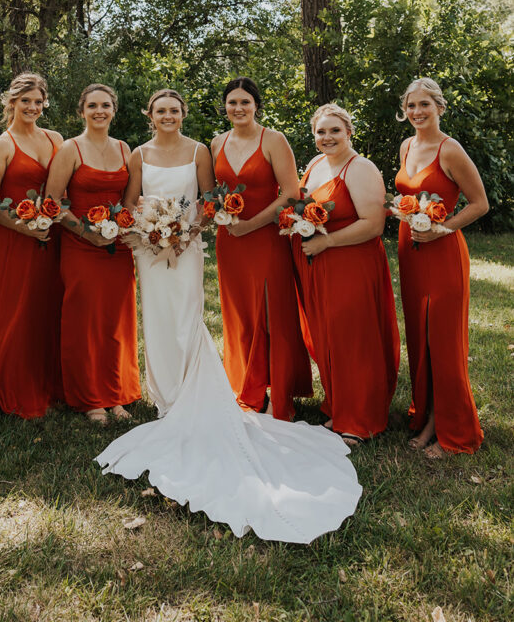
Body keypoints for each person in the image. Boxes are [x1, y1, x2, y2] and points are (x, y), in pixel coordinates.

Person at [96, 89, 361, 543]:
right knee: (156, 319)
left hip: (188, 246)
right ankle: (166, 397)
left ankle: (199, 389)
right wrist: (151, 231)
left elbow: (207, 200)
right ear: (150, 115)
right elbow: (132, 201)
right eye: (160, 110)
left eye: (175, 110)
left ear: (183, 114)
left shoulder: (203, 150)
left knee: (187, 316)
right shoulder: (139, 154)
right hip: (149, 247)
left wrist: (183, 233)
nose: (168, 116)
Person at [292, 103, 400, 446]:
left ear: (349, 132)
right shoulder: (315, 165)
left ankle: (360, 419)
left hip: (351, 263)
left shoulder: (361, 167)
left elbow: (373, 224)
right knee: (329, 337)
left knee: (355, 339)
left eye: (335, 130)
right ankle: (339, 406)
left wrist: (328, 243)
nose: (328, 137)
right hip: (318, 265)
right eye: (321, 132)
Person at [395, 78, 488, 458]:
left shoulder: (450, 151)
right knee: (420, 337)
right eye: (412, 106)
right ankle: (428, 415)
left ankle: (453, 429)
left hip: (443, 251)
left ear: (439, 107)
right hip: (410, 250)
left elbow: (479, 203)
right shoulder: (406, 145)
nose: (417, 112)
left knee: (444, 341)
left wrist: (442, 229)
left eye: (424, 105)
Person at [212, 78, 312, 419]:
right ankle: (246, 387)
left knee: (272, 314)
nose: (238, 108)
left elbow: (290, 193)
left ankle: (279, 393)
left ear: (256, 105)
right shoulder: (216, 144)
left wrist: (251, 225)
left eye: (245, 102)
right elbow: (214, 193)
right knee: (240, 315)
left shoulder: (273, 140)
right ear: (224, 106)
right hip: (230, 242)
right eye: (232, 102)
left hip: (267, 238)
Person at [47, 83, 140, 425]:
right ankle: (90, 399)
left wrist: (126, 228)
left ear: (114, 110)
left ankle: (115, 395)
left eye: (105, 105)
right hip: (79, 245)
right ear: (81, 111)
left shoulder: (124, 148)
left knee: (115, 321)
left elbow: (130, 200)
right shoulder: (70, 149)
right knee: (85, 320)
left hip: (116, 250)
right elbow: (52, 201)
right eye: (92, 106)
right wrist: (87, 232)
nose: (99, 111)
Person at [0, 72, 64, 418]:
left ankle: (52, 385)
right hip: (16, 241)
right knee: (18, 312)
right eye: (25, 100)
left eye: (37, 101)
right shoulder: (0, 145)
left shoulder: (57, 139)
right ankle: (15, 391)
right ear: (11, 102)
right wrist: (24, 228)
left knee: (50, 309)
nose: (31, 106)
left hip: (54, 240)